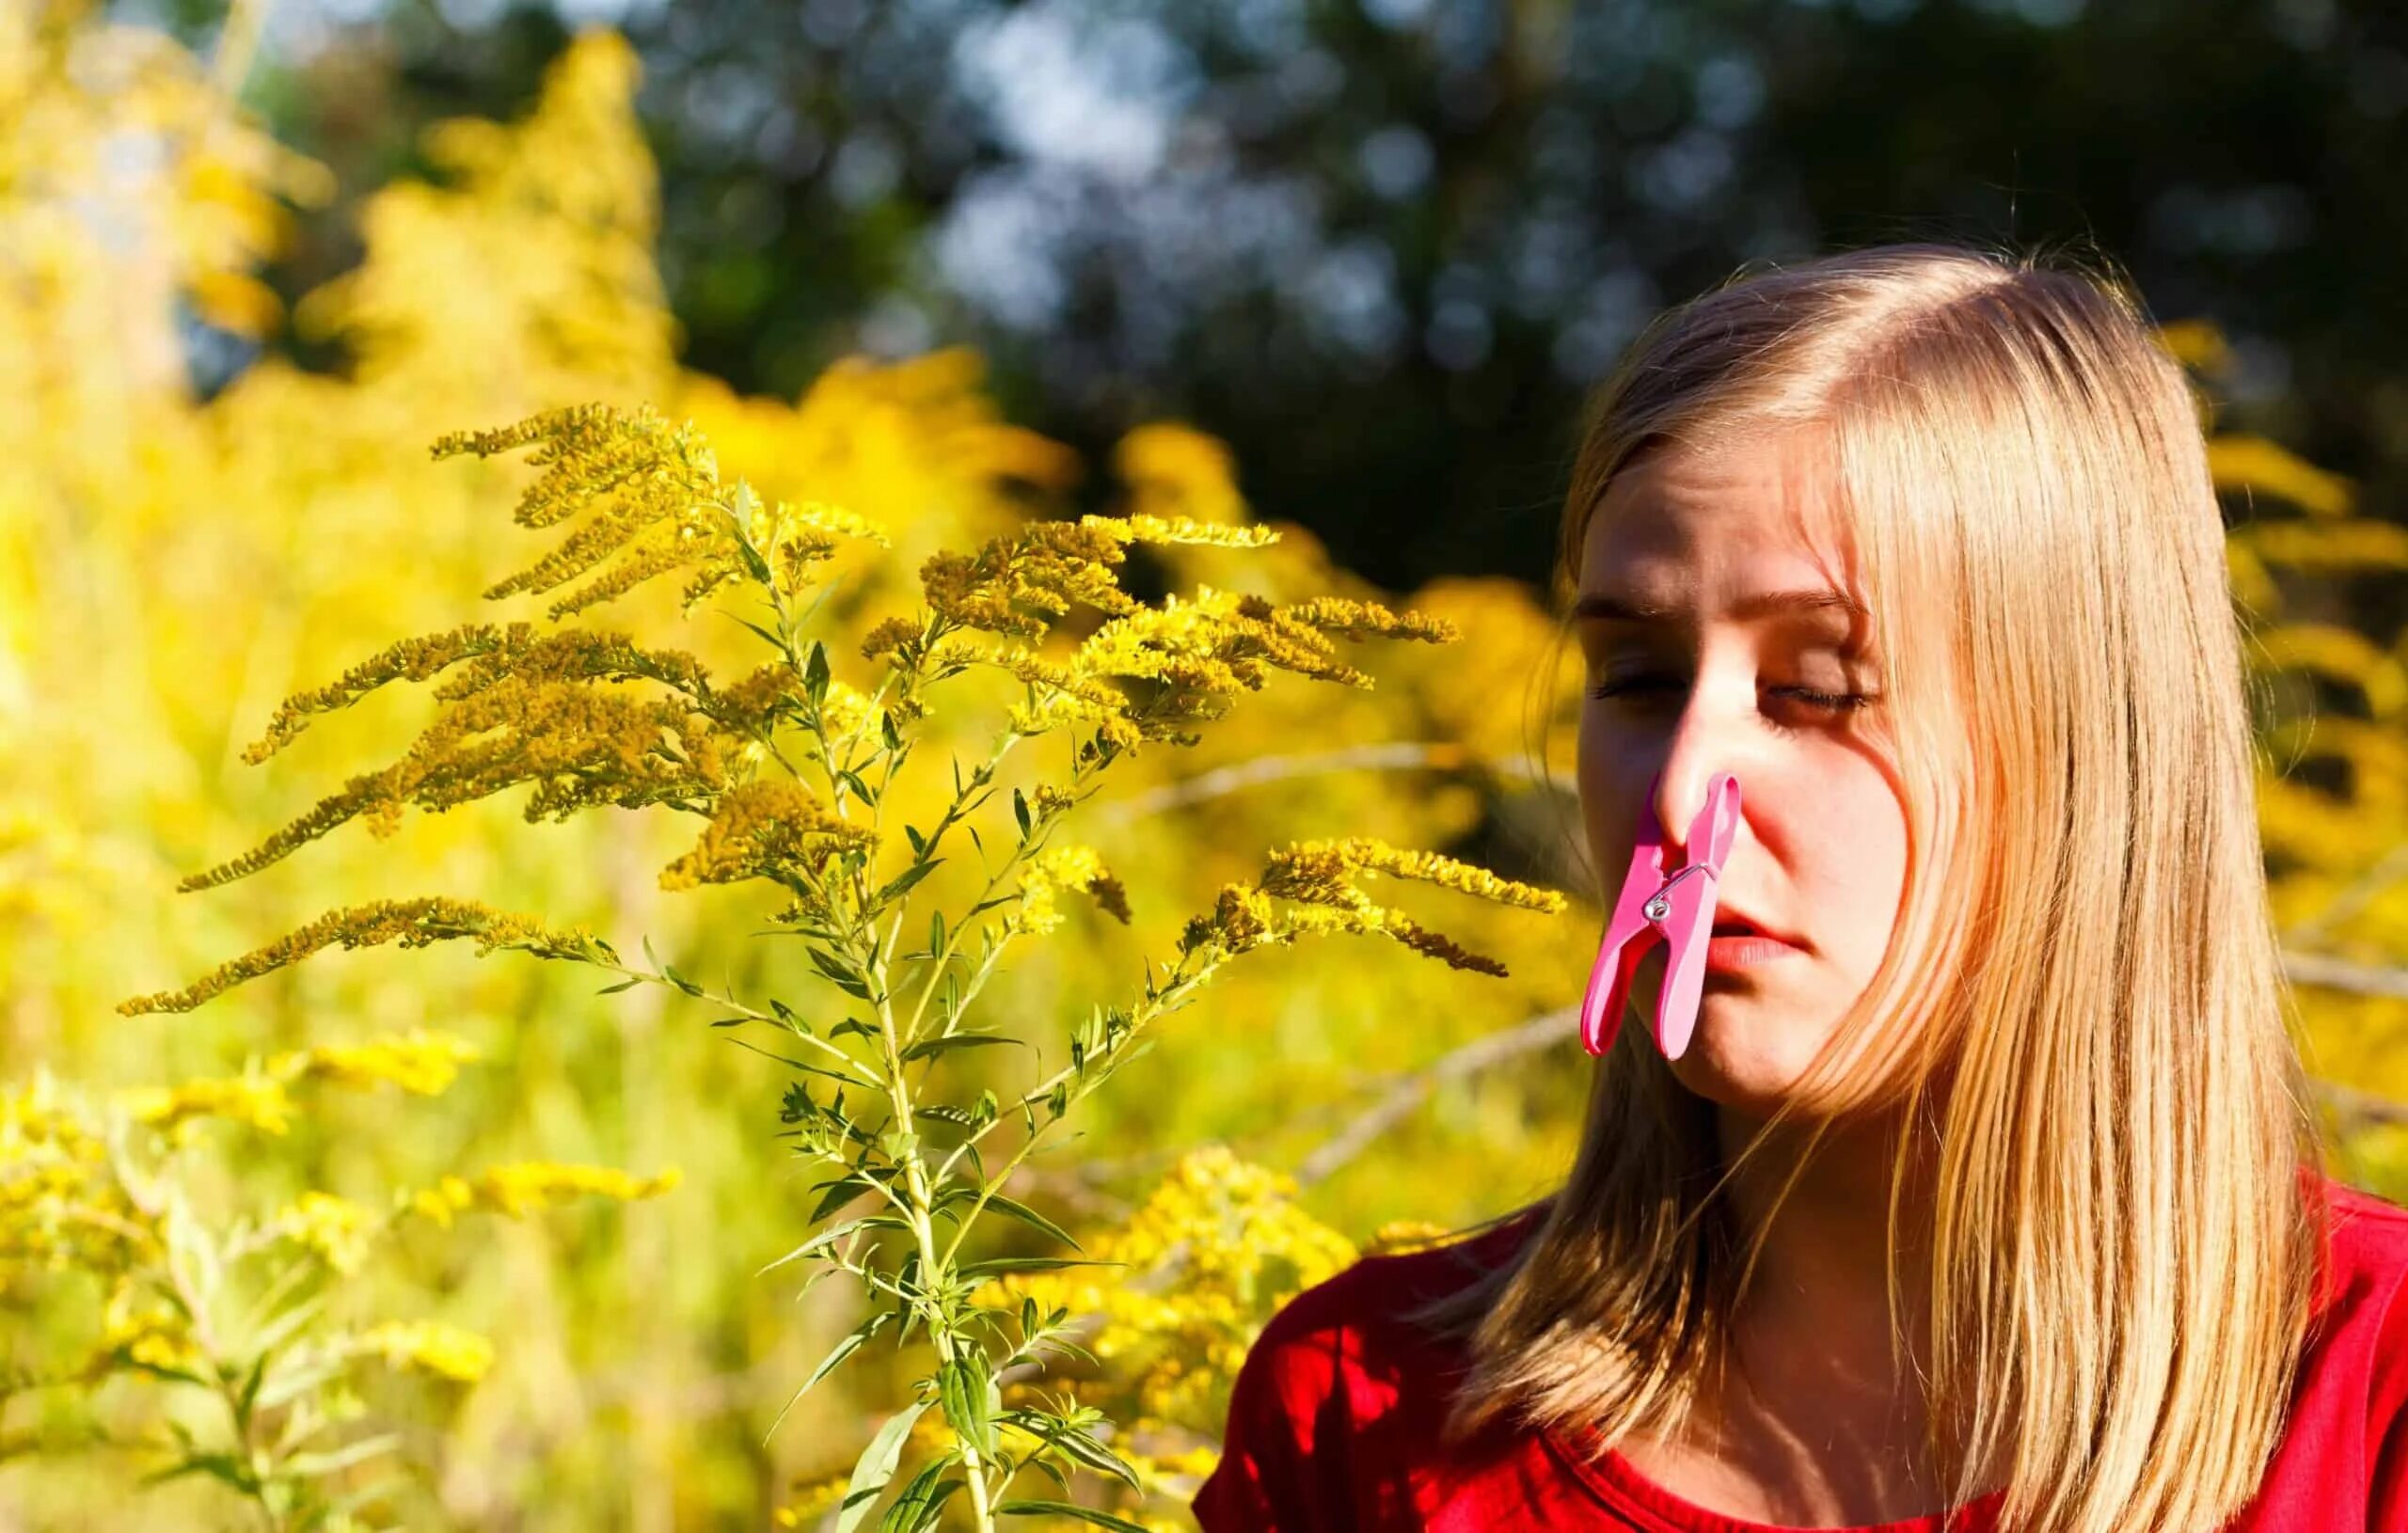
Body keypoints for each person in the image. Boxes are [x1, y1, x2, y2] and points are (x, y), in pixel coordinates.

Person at [1191, 243, 2408, 1533]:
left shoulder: (2368, 1407)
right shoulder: (1370, 1413)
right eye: (1639, 679)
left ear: (2091, 745)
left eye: (1815, 689)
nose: (1678, 797)